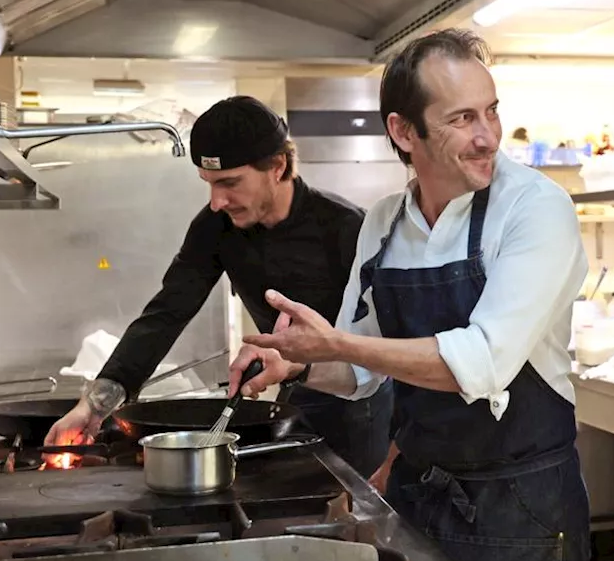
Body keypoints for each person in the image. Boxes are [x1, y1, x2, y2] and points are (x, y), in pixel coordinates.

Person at [239, 28, 592, 561]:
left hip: (520, 510)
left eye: (491, 111)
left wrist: (336, 343)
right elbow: (359, 372)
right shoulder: (384, 224)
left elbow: (480, 364)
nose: (487, 135)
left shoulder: (535, 210)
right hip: (420, 498)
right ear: (404, 132)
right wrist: (295, 364)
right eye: (461, 118)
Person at [46, 96, 393, 478]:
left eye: (230, 183)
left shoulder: (346, 227)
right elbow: (166, 312)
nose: (216, 201)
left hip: (363, 400)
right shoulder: (216, 228)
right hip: (293, 391)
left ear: (277, 166)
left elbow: (391, 337)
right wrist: (93, 406)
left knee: (354, 503)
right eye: (209, 184)